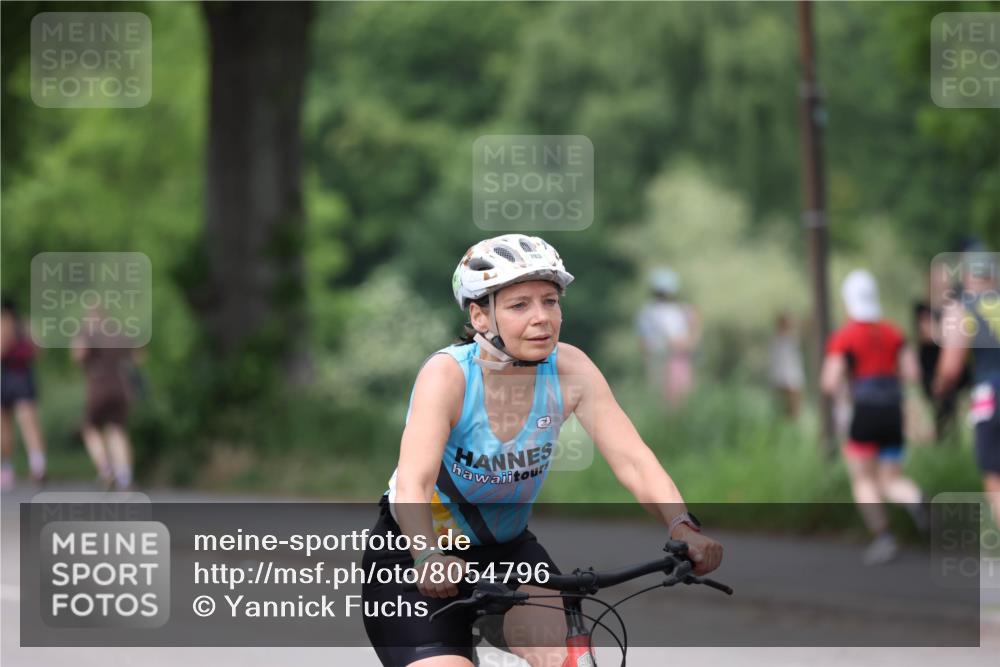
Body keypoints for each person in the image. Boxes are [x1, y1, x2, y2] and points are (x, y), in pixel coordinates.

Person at [362, 235, 723, 667]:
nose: (541, 318)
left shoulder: (571, 368)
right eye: (519, 306)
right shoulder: (448, 376)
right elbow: (414, 482)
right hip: (413, 555)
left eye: (550, 301)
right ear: (480, 315)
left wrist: (681, 525)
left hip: (508, 553)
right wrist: (425, 555)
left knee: (568, 659)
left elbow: (634, 461)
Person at [820, 270, 928, 566]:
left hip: (864, 413)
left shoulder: (846, 335)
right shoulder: (892, 332)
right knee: (890, 478)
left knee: (863, 478)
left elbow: (829, 381)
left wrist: (846, 394)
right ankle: (917, 498)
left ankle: (883, 538)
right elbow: (912, 373)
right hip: (893, 411)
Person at [933, 250, 1000, 529]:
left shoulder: (962, 307)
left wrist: (938, 388)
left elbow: (950, 367)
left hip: (991, 395)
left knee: (995, 477)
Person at [72, 309, 140, 491]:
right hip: (120, 388)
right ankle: (125, 476)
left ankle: (106, 469)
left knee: (89, 428)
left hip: (98, 388)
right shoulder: (117, 334)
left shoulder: (88, 333)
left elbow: (78, 355)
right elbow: (138, 354)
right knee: (117, 430)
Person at [635, 267, 701, 409]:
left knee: (678, 401)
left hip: (675, 358)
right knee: (666, 401)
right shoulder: (651, 312)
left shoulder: (676, 310)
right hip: (663, 359)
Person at [1, 297, 47, 489]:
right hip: (24, 376)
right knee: (30, 424)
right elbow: (39, 350)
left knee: (5, 427)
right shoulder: (26, 325)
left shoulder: (4, 324)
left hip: (6, 376)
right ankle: (38, 465)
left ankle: (6, 469)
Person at [769, 312, 805, 418]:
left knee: (793, 410)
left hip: (791, 377)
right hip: (784, 378)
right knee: (783, 407)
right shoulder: (779, 340)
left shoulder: (791, 339)